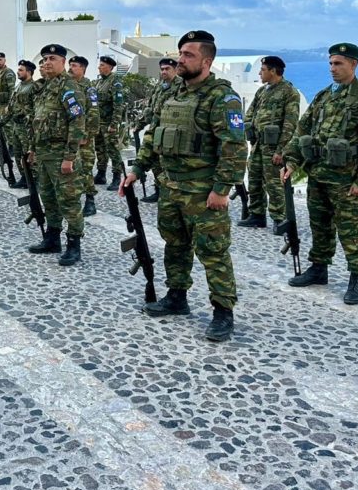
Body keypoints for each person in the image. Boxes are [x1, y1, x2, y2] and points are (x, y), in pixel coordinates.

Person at [122, 31, 246, 341]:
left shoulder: (222, 98)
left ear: (207, 61)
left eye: (189, 55)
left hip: (203, 192)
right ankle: (177, 296)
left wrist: (221, 189)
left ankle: (223, 311)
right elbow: (154, 134)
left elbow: (234, 147)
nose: (181, 59)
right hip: (171, 187)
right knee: (174, 245)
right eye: (180, 53)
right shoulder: (171, 92)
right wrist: (138, 168)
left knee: (213, 251)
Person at [282, 43, 358, 305]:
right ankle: (319, 268)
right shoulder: (323, 96)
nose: (332, 68)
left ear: (354, 64)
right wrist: (292, 161)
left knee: (352, 230)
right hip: (318, 174)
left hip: (346, 180)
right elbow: (302, 130)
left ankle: (357, 278)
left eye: (338, 63)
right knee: (320, 225)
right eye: (330, 63)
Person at [28, 44, 86, 265]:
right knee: (49, 198)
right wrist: (33, 149)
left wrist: (69, 157)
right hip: (44, 155)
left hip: (61, 155)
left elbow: (77, 122)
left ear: (63, 62)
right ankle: (52, 239)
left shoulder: (69, 88)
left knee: (68, 200)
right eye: (45, 59)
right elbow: (38, 121)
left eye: (52, 58)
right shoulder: (45, 87)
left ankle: (74, 245)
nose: (47, 62)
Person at [238, 56, 300, 230]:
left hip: (274, 147)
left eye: (263, 70)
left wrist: (281, 150)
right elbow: (250, 113)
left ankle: (279, 219)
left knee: (274, 183)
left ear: (273, 71)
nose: (260, 73)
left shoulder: (289, 92)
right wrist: (250, 131)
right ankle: (257, 215)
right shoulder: (262, 91)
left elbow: (290, 123)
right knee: (254, 179)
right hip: (258, 144)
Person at [134, 58, 181, 204]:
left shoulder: (181, 87)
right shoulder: (160, 87)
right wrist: (140, 124)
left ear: (175, 70)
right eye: (162, 69)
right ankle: (158, 190)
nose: (164, 72)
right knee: (155, 161)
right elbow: (150, 108)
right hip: (155, 130)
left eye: (167, 69)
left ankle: (168, 191)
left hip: (170, 132)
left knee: (165, 162)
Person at [68, 55, 100, 217]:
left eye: (74, 65)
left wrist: (86, 135)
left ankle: (90, 200)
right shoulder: (68, 86)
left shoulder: (89, 89)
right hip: (70, 136)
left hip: (84, 138)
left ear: (83, 69)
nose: (71, 68)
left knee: (85, 169)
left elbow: (94, 115)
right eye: (70, 65)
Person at [0, 59, 38, 189]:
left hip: (26, 127)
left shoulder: (33, 87)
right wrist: (2, 122)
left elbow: (35, 108)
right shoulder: (18, 86)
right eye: (18, 70)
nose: (18, 72)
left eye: (21, 70)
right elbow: (11, 107)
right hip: (16, 126)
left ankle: (34, 178)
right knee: (18, 153)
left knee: (28, 154)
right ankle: (24, 177)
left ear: (29, 72)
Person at [93, 56, 125, 189]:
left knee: (113, 150)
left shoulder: (115, 82)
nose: (99, 67)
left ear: (110, 67)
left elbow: (118, 105)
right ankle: (101, 174)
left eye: (102, 65)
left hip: (108, 123)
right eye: (99, 65)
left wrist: (114, 124)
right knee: (100, 149)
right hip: (98, 123)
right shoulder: (99, 82)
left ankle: (117, 177)